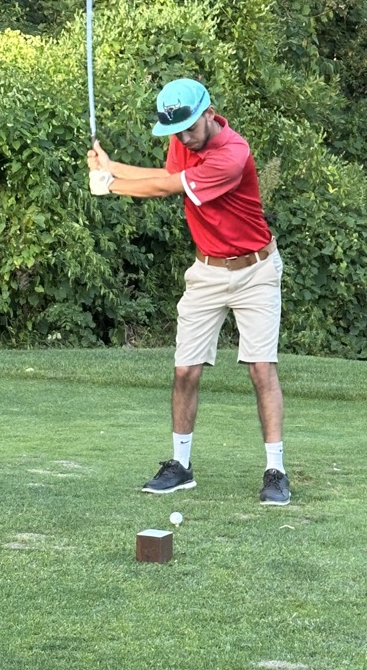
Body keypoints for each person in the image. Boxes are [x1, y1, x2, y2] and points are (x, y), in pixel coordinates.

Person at [87, 77, 290, 506]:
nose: (183, 139)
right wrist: (113, 165)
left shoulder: (233, 155)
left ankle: (276, 471)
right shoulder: (185, 141)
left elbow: (168, 188)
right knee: (185, 370)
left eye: (189, 130)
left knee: (260, 368)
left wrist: (109, 184)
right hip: (206, 270)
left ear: (209, 114)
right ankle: (180, 467)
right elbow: (167, 173)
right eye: (175, 132)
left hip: (256, 270)